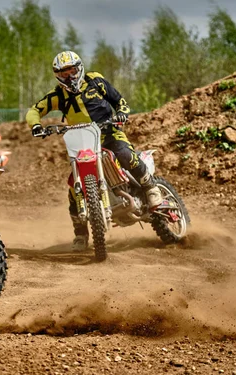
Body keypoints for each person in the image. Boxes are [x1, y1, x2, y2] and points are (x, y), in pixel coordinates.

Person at [26, 51, 163, 252]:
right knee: (73, 188)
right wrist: (36, 125)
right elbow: (34, 110)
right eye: (64, 73)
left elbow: (118, 99)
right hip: (83, 145)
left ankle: (151, 187)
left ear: (79, 68)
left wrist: (122, 112)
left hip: (109, 133)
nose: (69, 77)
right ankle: (81, 234)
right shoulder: (57, 96)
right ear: (57, 75)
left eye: (72, 71)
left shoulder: (95, 81)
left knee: (125, 153)